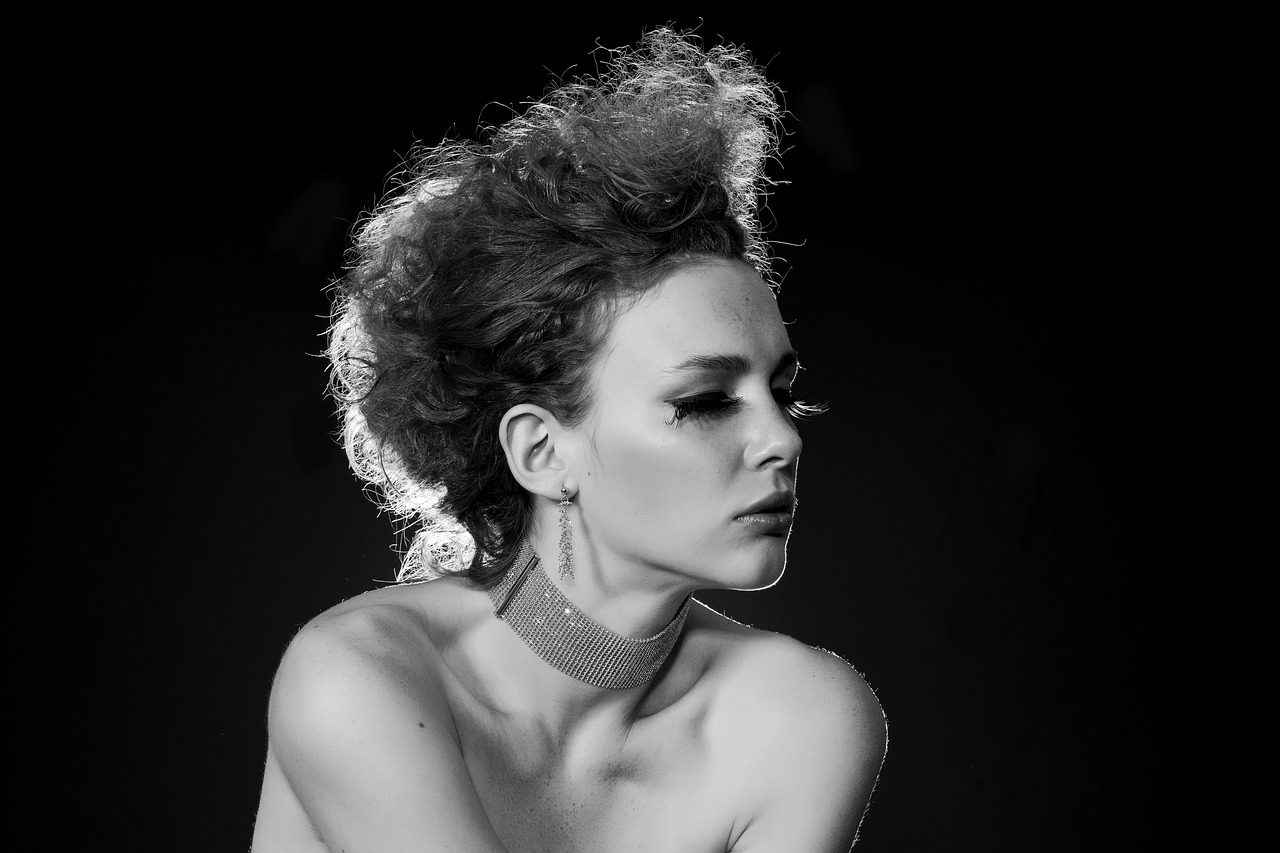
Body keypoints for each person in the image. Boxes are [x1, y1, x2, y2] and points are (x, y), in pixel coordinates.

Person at [251, 28, 886, 852]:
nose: (781, 439)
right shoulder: (357, 677)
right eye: (703, 401)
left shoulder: (802, 719)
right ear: (541, 453)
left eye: (782, 392)